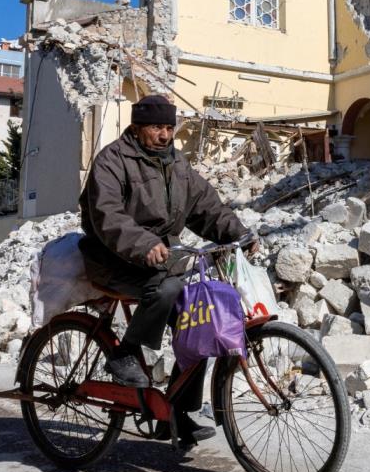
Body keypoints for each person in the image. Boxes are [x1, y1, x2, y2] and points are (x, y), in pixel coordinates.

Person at [78, 94, 251, 448]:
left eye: (169, 127)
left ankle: (180, 412)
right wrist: (143, 244)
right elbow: (107, 215)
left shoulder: (176, 164)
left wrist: (239, 233)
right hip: (110, 257)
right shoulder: (113, 160)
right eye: (157, 127)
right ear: (138, 128)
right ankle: (126, 353)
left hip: (159, 257)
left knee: (199, 320)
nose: (164, 135)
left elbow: (206, 207)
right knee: (169, 289)